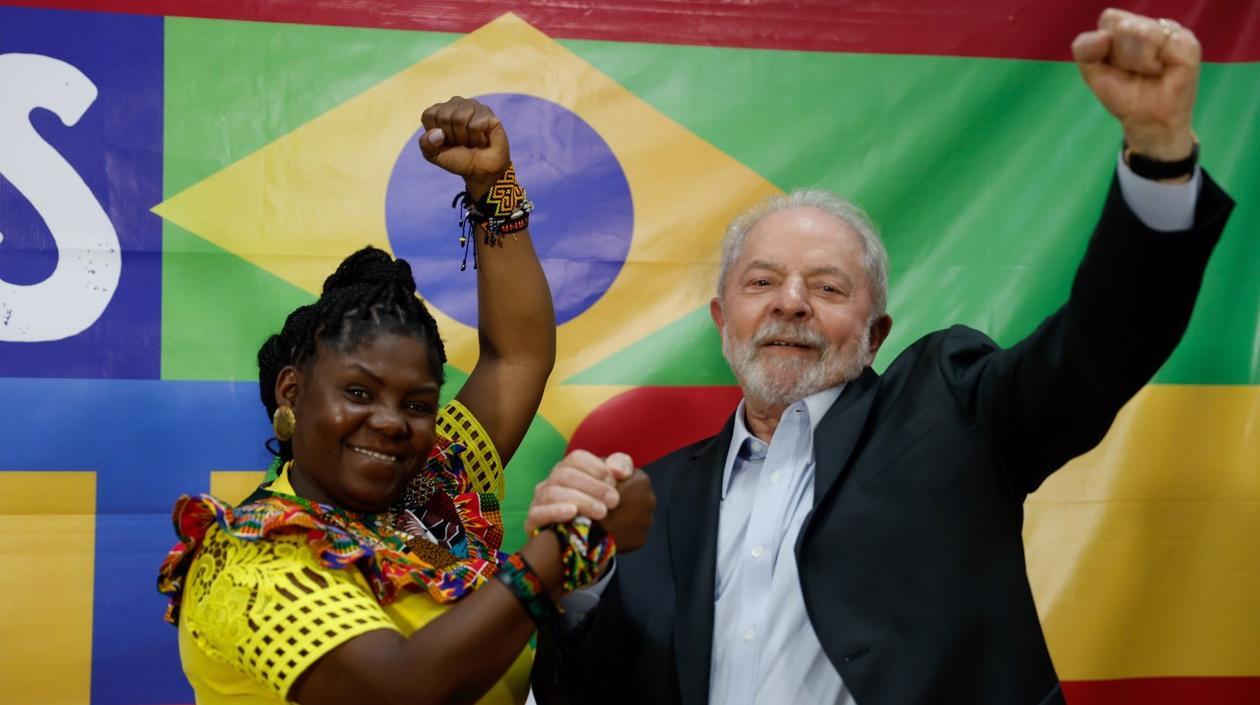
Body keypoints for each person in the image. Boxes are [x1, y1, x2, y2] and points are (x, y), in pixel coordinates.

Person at [530, 9, 1236, 705]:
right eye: (761, 281)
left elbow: (1101, 343)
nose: (791, 302)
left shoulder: (952, 412)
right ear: (723, 322)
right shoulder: (652, 500)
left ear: (874, 334)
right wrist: (584, 581)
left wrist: (1157, 154)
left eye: (829, 287)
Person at [156, 97, 654, 705]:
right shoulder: (246, 560)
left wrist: (492, 185)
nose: (392, 423)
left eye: (418, 403)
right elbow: (397, 691)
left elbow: (518, 355)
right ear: (293, 391)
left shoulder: (435, 482)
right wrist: (564, 551)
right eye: (359, 393)